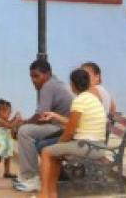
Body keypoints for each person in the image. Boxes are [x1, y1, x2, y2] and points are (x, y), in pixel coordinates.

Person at [37, 68, 107, 198]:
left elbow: (70, 130)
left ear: (73, 84)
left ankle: (44, 194)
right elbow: (74, 122)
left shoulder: (79, 101)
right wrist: (54, 115)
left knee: (46, 152)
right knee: (55, 153)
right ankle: (52, 193)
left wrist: (59, 144)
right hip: (97, 145)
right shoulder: (91, 98)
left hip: (88, 146)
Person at [10, 59, 74, 193]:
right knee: (26, 129)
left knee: (24, 131)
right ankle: (28, 175)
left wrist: (22, 123)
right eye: (31, 77)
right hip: (60, 125)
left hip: (62, 127)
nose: (33, 80)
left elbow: (40, 116)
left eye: (36, 76)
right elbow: (42, 116)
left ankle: (31, 178)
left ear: (47, 74)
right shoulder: (54, 83)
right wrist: (25, 121)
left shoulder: (48, 86)